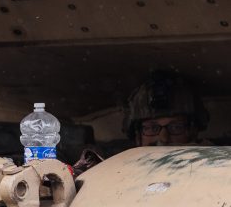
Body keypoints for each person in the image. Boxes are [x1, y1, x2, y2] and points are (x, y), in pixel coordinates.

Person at [73, 70, 209, 175]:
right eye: (151, 128)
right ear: (138, 136)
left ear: (193, 131)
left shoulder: (212, 164)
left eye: (176, 127)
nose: (163, 137)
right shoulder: (116, 165)